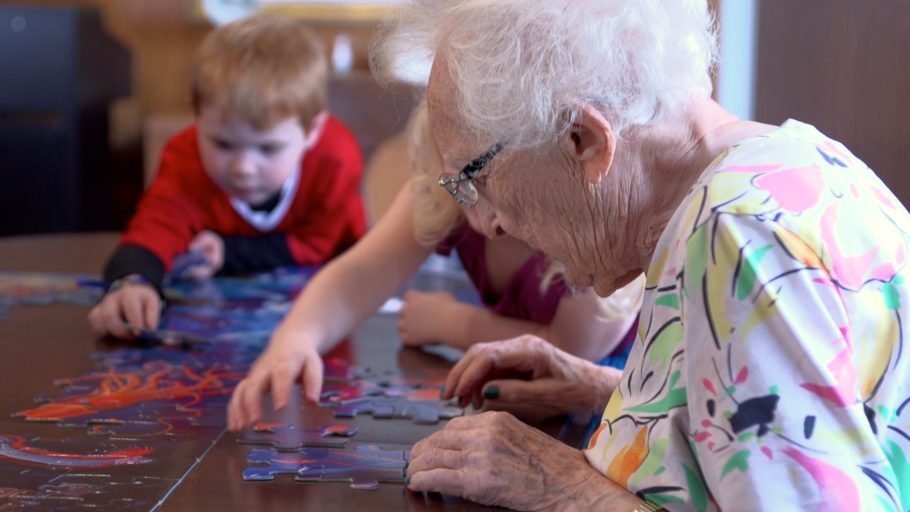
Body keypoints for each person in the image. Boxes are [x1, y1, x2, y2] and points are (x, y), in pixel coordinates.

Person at [369, 1, 910, 511]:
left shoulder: (740, 234)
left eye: (475, 178)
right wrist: (613, 391)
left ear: (584, 140)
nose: (487, 221)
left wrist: (557, 483)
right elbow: (783, 432)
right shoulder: (798, 159)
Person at [226, 100, 643, 430]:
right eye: (457, 181)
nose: (479, 216)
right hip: (514, 402)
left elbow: (569, 353)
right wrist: (295, 338)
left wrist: (453, 324)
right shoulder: (453, 186)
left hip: (620, 408)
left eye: (483, 177)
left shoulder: (594, 216)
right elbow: (358, 276)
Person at [88, 15, 366, 339]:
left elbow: (318, 244)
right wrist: (132, 281)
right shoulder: (185, 158)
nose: (243, 167)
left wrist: (229, 252)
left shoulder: (336, 158)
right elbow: (153, 230)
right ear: (196, 113)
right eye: (222, 143)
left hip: (329, 316)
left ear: (312, 131)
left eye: (268, 148)